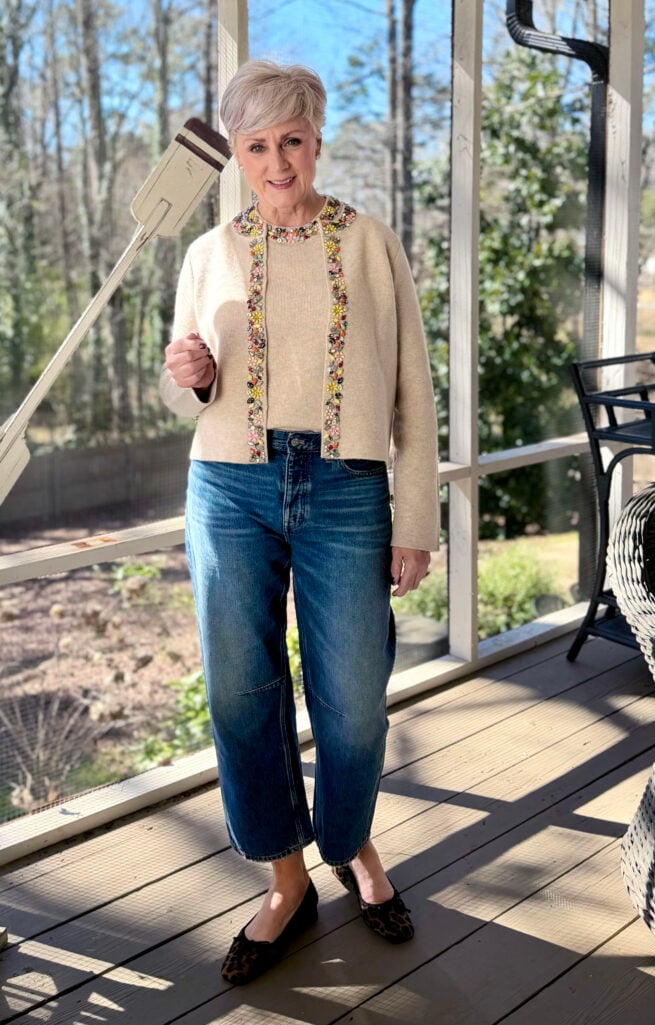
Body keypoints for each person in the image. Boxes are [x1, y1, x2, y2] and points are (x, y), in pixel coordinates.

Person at [160, 60, 439, 985]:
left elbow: (410, 386)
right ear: (236, 154)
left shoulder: (369, 241)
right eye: (256, 145)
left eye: (291, 139)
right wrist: (191, 370)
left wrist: (415, 517)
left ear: (316, 141)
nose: (276, 160)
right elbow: (189, 395)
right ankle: (286, 880)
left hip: (347, 485)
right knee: (242, 690)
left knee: (354, 697)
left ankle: (351, 841)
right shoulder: (204, 254)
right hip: (228, 489)